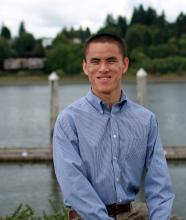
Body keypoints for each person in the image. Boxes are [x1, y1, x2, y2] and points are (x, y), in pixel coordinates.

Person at [53, 33, 175, 220]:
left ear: (124, 65)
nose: (103, 68)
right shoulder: (68, 121)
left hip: (131, 214)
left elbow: (160, 184)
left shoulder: (146, 120)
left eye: (111, 61)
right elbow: (73, 185)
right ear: (85, 67)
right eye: (95, 61)